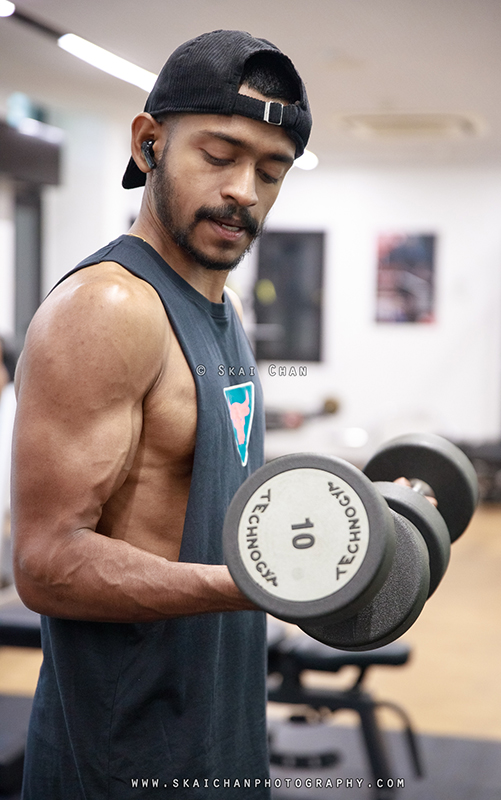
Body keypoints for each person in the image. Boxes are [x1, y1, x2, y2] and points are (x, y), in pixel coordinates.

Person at [11, 30, 312, 799]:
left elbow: (215, 504)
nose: (245, 189)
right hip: (123, 756)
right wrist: (255, 585)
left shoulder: (226, 307)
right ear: (150, 144)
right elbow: (46, 564)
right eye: (219, 155)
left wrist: (359, 524)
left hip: (220, 725)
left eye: (270, 171)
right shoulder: (109, 309)